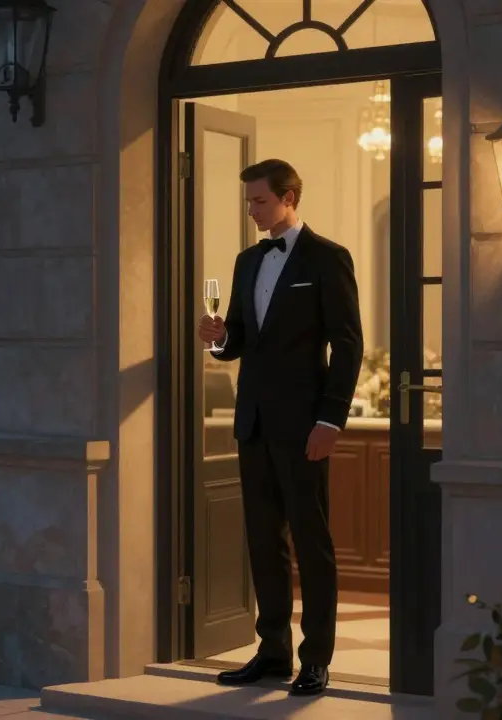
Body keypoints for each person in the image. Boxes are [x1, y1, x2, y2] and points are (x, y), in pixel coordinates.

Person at [197, 158, 363, 697]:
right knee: (264, 542)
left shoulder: (328, 258)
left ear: (289, 197)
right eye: (248, 201)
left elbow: (348, 346)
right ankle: (272, 653)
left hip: (305, 424)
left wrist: (330, 419)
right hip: (253, 423)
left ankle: (316, 658)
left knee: (312, 543)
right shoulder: (247, 261)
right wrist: (219, 339)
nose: (252, 210)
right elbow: (240, 341)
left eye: (260, 201)